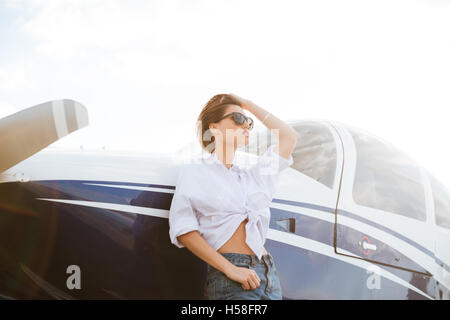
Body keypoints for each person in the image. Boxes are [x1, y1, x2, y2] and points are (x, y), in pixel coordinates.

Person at [168, 93, 298, 300]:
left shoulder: (253, 176)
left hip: (268, 275)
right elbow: (184, 230)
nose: (245, 125)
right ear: (214, 127)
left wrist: (248, 104)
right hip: (231, 278)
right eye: (238, 119)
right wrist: (230, 269)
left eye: (248, 122)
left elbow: (289, 137)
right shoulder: (195, 170)